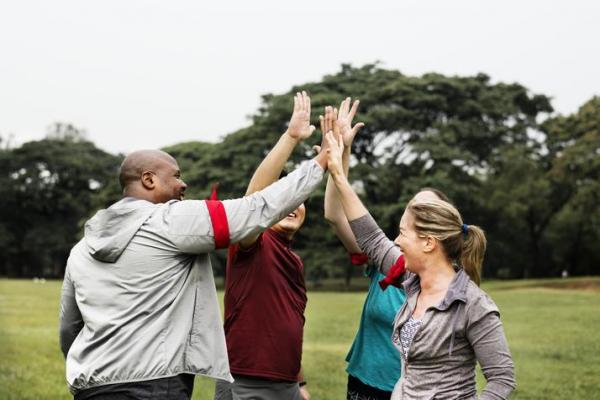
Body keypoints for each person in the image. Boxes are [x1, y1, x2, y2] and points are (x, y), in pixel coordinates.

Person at [59, 101, 331, 399]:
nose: (183, 184)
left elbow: (69, 327)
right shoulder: (171, 219)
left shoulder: (81, 249)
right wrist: (321, 160)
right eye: (176, 175)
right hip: (155, 384)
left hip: (92, 386)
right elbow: (255, 209)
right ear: (149, 179)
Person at [324, 130, 516, 399]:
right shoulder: (410, 280)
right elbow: (371, 237)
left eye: (403, 233)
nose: (396, 241)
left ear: (428, 243)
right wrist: (338, 173)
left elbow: (502, 378)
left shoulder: (473, 305)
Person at [323, 102, 448, 400]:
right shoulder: (385, 257)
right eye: (414, 207)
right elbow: (335, 215)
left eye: (428, 211)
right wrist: (343, 151)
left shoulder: (452, 282)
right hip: (366, 384)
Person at [214, 92, 316, 400]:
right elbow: (252, 202)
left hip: (286, 382)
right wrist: (291, 137)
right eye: (281, 200)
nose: (291, 206)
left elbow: (286, 322)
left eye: (297, 200)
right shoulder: (253, 242)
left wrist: (298, 382)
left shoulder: (292, 258)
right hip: (247, 381)